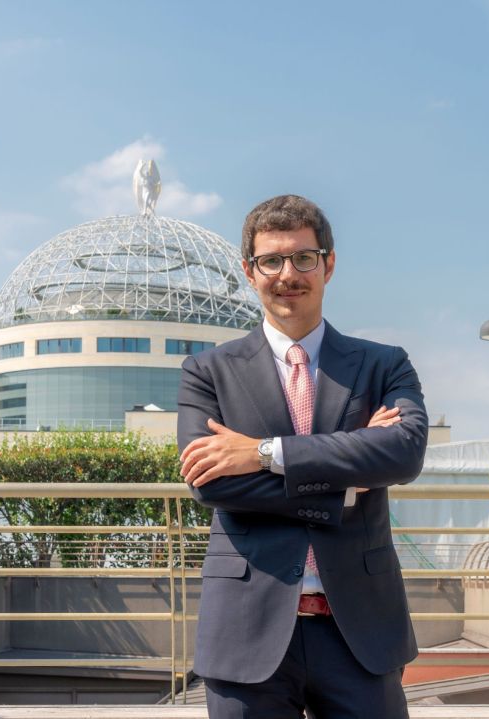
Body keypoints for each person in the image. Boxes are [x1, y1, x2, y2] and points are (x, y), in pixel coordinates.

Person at [177, 194, 427, 718]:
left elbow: (403, 452)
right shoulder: (207, 372)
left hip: (360, 628)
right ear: (249, 271)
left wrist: (264, 453)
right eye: (271, 260)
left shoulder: (384, 364)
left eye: (303, 258)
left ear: (328, 265)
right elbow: (211, 482)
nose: (288, 274)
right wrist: (348, 480)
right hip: (246, 629)